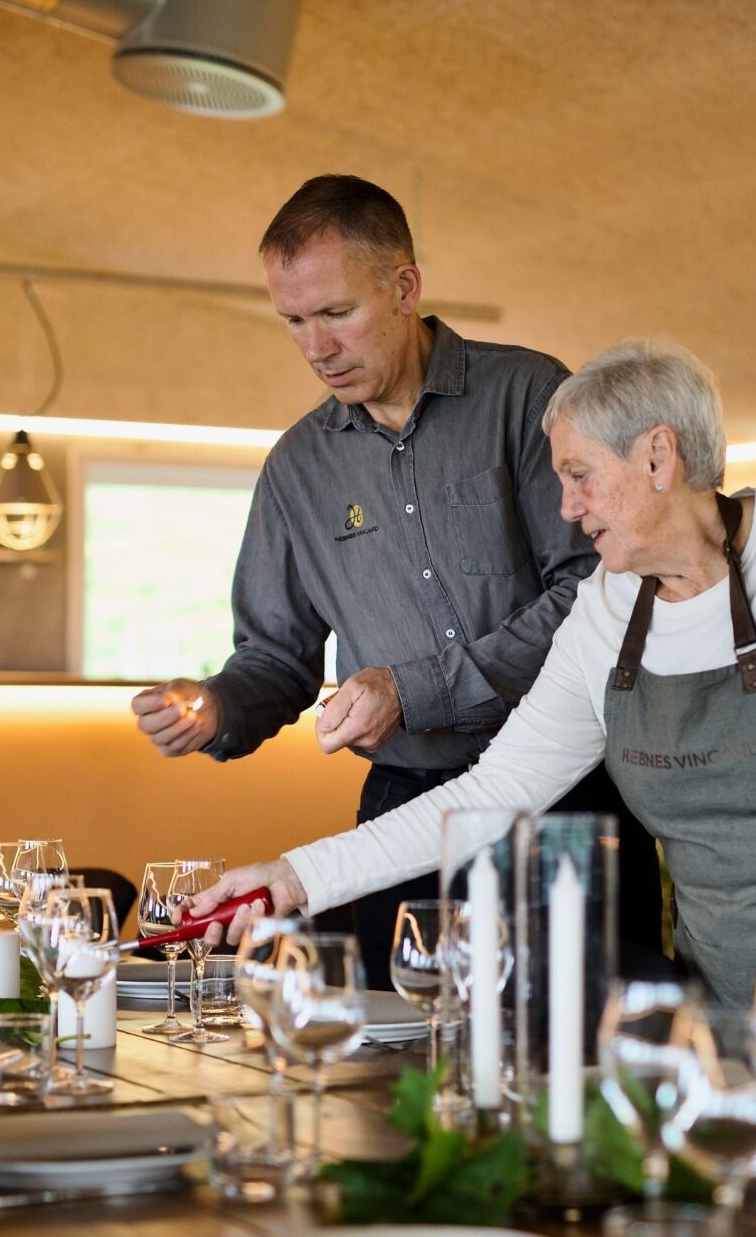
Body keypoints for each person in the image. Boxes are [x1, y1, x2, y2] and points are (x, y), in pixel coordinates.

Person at [187, 337, 756, 1028]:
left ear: (659, 459)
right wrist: (290, 879)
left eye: (581, 477)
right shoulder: (606, 609)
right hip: (738, 992)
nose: (565, 507)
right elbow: (495, 794)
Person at [131, 175, 661, 989]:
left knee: (584, 1061)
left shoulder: (529, 399)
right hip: (403, 814)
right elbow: (275, 659)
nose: (316, 347)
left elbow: (595, 593)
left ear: (404, 287)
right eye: (294, 321)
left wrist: (413, 691)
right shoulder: (296, 469)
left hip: (566, 799)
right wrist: (214, 708)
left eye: (336, 313)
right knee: (400, 1070)